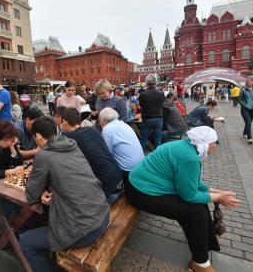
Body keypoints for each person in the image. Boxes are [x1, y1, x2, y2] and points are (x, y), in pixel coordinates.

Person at [126, 126, 240, 272]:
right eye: (215, 142)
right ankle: (199, 263)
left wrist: (213, 191)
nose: (216, 146)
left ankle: (204, 242)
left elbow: (189, 182)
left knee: (199, 205)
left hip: (142, 184)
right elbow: (190, 195)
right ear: (205, 144)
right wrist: (218, 197)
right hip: (141, 192)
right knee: (194, 211)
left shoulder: (184, 146)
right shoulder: (190, 158)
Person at [20, 117, 109, 272]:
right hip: (102, 214)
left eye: (35, 137)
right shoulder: (72, 145)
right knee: (47, 221)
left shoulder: (43, 155)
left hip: (84, 229)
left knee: (26, 242)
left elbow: (31, 196)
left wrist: (40, 191)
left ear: (39, 137)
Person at [61, 108, 123, 203]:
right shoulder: (91, 130)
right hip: (118, 175)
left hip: (105, 186)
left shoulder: (68, 138)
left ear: (64, 121)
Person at [99, 107, 144, 179]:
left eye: (99, 120)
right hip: (140, 163)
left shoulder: (107, 130)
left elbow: (107, 153)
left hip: (128, 169)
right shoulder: (123, 124)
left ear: (103, 120)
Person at [138, 74, 165, 150]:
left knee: (143, 138)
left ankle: (141, 155)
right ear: (155, 83)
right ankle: (158, 157)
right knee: (158, 139)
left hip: (147, 118)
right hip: (159, 118)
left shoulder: (143, 94)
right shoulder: (161, 93)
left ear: (146, 83)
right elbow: (162, 104)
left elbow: (141, 106)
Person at [239, 75, 253, 144]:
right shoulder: (243, 89)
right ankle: (250, 138)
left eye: (250, 81)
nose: (248, 82)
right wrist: (245, 105)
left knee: (249, 122)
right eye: (247, 80)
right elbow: (239, 99)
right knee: (248, 122)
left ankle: (245, 132)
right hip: (245, 109)